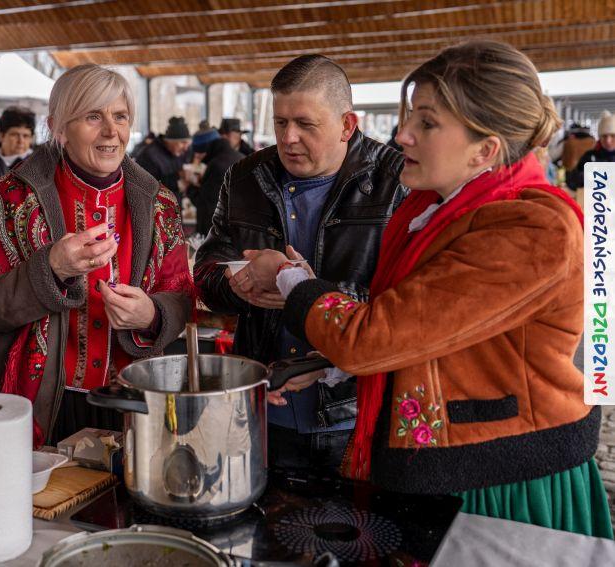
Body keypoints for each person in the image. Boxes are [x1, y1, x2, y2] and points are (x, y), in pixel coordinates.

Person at [255, 41, 611, 537]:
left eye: (427, 122)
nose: (403, 134)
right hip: (460, 462)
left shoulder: (530, 227)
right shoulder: (443, 209)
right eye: (410, 118)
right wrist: (333, 363)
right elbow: (433, 333)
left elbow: (375, 336)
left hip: (500, 475)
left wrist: (289, 279)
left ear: (485, 149)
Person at [194, 55, 406, 472]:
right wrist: (234, 285)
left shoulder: (396, 180)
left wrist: (304, 292)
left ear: (347, 125)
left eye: (305, 124)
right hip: (260, 404)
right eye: (280, 123)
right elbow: (205, 271)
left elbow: (407, 304)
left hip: (354, 411)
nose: (289, 138)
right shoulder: (245, 177)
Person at [0, 64, 192, 446]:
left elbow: (181, 295)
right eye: (93, 116)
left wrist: (153, 315)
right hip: (38, 403)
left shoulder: (160, 204)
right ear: (58, 127)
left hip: (134, 400)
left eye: (120, 116)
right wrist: (50, 269)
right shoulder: (9, 199)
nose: (111, 131)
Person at [187, 137, 243, 238]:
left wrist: (189, 188)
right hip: (238, 220)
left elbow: (205, 199)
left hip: (215, 221)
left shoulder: (216, 163)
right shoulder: (242, 158)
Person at [135, 117, 192, 201]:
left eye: (187, 143)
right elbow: (146, 187)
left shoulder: (178, 152)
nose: (185, 148)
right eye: (183, 142)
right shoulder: (149, 155)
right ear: (169, 141)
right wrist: (178, 177)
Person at [567, 111, 615, 190]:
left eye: (613, 136)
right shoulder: (589, 157)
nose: (608, 141)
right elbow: (571, 181)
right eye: (604, 136)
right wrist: (586, 177)